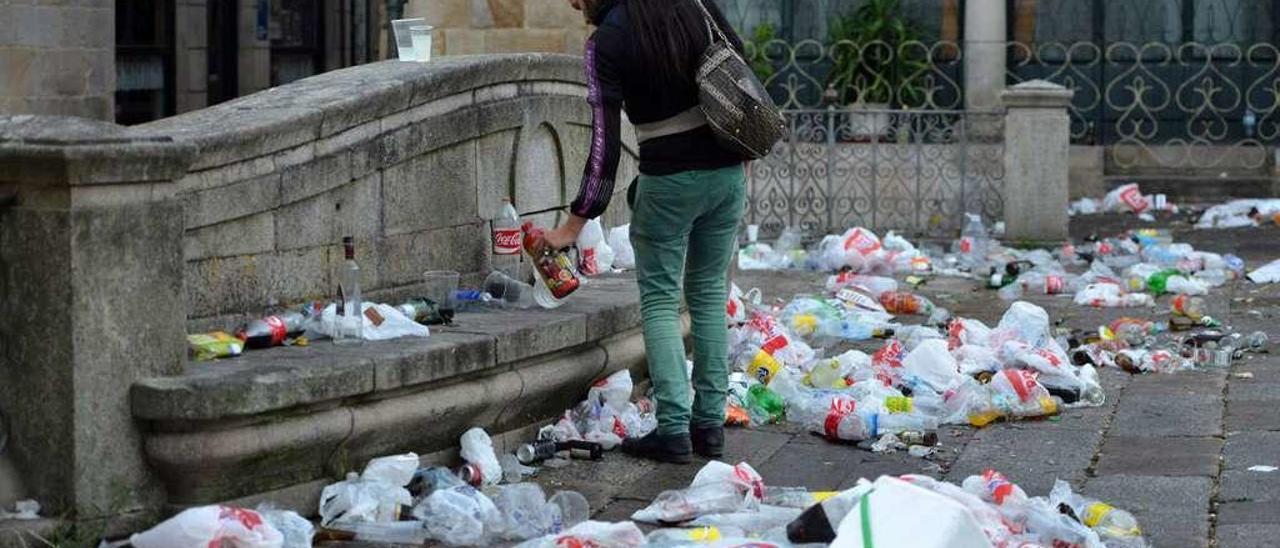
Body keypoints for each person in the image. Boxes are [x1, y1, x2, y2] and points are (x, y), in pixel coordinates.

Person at [536, 0, 749, 463]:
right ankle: (709, 424)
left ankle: (673, 428)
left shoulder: (608, 41)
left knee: (659, 297)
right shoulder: (694, 4)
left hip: (669, 183)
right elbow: (740, 66)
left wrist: (575, 222)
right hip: (727, 174)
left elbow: (604, 144)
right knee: (710, 293)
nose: (573, 3)